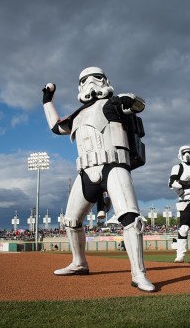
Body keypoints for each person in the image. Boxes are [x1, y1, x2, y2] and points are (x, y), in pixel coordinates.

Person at [41, 67, 155, 292]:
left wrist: (129, 98)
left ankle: (138, 273)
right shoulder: (77, 115)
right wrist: (47, 100)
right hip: (85, 172)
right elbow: (56, 127)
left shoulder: (113, 104)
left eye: (97, 78)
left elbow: (137, 104)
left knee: (131, 219)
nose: (91, 83)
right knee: (71, 222)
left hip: (114, 165)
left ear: (105, 81)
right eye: (85, 80)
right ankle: (79, 262)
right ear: (80, 86)